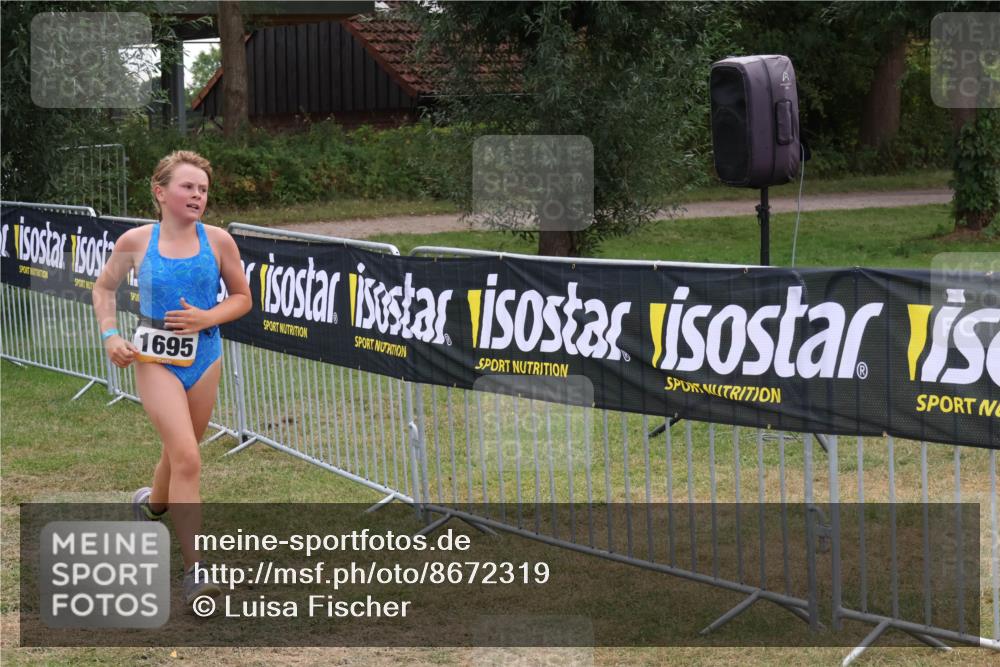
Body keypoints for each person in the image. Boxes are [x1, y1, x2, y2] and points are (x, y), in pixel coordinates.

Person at [92, 150, 252, 606]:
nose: (197, 195)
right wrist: (110, 336)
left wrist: (207, 317)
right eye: (188, 186)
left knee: (181, 453)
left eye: (203, 189)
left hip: (205, 356)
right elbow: (103, 288)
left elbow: (242, 297)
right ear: (160, 192)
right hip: (153, 358)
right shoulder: (137, 240)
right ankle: (195, 571)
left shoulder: (218, 241)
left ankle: (153, 505)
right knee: (186, 457)